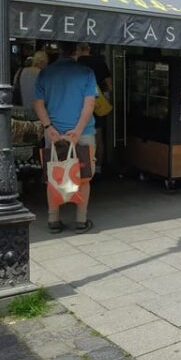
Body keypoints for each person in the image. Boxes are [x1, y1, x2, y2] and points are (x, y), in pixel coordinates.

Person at [34, 41, 98, 233]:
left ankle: (53, 220)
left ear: (59, 51)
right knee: (84, 176)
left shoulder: (45, 73)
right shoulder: (86, 73)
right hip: (83, 133)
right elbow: (89, 105)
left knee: (54, 174)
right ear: (77, 51)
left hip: (54, 134)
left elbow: (38, 103)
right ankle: (81, 219)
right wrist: (78, 130)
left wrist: (48, 127)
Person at [76, 43, 112, 173]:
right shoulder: (99, 62)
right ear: (89, 48)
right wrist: (104, 94)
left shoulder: (75, 63)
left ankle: (79, 167)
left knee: (79, 133)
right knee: (98, 134)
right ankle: (97, 166)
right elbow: (109, 85)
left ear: (77, 49)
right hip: (97, 103)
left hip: (78, 103)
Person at [13, 51, 49, 116]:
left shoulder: (19, 72)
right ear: (43, 62)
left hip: (21, 114)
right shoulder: (45, 75)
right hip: (38, 116)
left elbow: (14, 90)